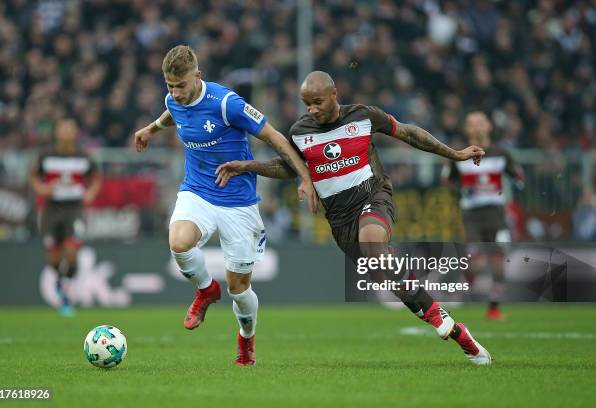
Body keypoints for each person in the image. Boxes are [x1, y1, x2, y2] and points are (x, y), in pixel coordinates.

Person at [215, 71, 492, 365]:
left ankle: (440, 320)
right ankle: (461, 335)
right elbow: (287, 167)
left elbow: (409, 133)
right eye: (307, 104)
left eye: (317, 102)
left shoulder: (363, 116)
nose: (312, 109)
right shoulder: (300, 131)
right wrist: (248, 166)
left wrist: (455, 154)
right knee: (384, 275)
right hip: (340, 219)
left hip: (373, 196)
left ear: (334, 94)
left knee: (373, 245)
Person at [134, 45, 317, 366]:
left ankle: (247, 339)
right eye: (169, 86)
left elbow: (274, 137)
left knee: (239, 288)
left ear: (198, 77)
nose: (175, 93)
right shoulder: (171, 101)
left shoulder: (226, 103)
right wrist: (151, 128)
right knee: (178, 242)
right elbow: (170, 114)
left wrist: (304, 176)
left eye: (181, 85)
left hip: (238, 203)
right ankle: (205, 290)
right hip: (198, 191)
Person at [441, 112, 525, 320]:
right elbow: (446, 181)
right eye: (471, 124)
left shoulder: (501, 153)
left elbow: (519, 178)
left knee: (498, 263)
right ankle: (459, 289)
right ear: (466, 129)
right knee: (476, 263)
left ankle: (493, 308)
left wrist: (517, 182)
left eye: (480, 123)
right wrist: (460, 190)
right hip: (471, 215)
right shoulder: (458, 153)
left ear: (488, 126)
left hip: (496, 214)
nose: (476, 127)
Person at [30, 118, 101, 317]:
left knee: (70, 251)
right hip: (51, 210)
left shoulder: (84, 156)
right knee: (53, 258)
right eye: (63, 128)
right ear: (57, 132)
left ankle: (66, 293)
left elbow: (95, 179)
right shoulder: (46, 155)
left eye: (71, 128)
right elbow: (33, 176)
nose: (67, 132)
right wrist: (41, 188)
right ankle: (62, 283)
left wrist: (91, 193)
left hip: (74, 209)